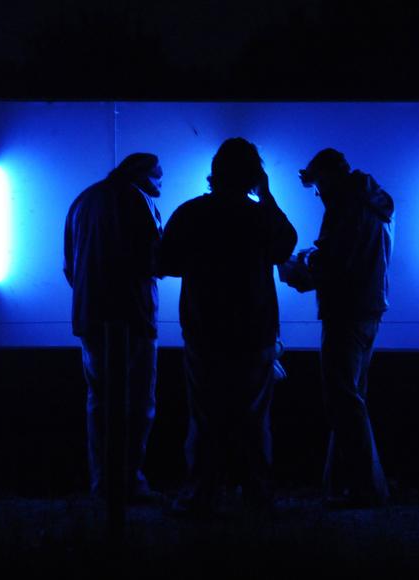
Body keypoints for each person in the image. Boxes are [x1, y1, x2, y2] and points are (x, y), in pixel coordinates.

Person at [158, 138, 297, 516]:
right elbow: (285, 245)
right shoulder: (259, 217)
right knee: (253, 419)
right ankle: (257, 494)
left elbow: (165, 262)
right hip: (255, 332)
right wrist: (266, 195)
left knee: (206, 416)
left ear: (214, 172)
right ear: (254, 175)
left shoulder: (191, 213)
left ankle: (201, 493)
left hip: (204, 329)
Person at [282, 148, 394, 508]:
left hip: (344, 311)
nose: (318, 194)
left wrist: (299, 266)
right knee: (352, 397)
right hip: (369, 308)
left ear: (328, 176)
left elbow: (333, 261)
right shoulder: (373, 202)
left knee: (343, 400)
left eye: (317, 185)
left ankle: (364, 488)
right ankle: (349, 484)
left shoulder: (344, 205)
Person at [63, 153, 163, 502]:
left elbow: (69, 266)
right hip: (133, 317)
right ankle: (130, 481)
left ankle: (102, 483)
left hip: (90, 317)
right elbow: (155, 259)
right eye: (157, 176)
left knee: (100, 400)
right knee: (137, 402)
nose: (160, 183)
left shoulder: (84, 199)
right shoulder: (138, 200)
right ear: (143, 175)